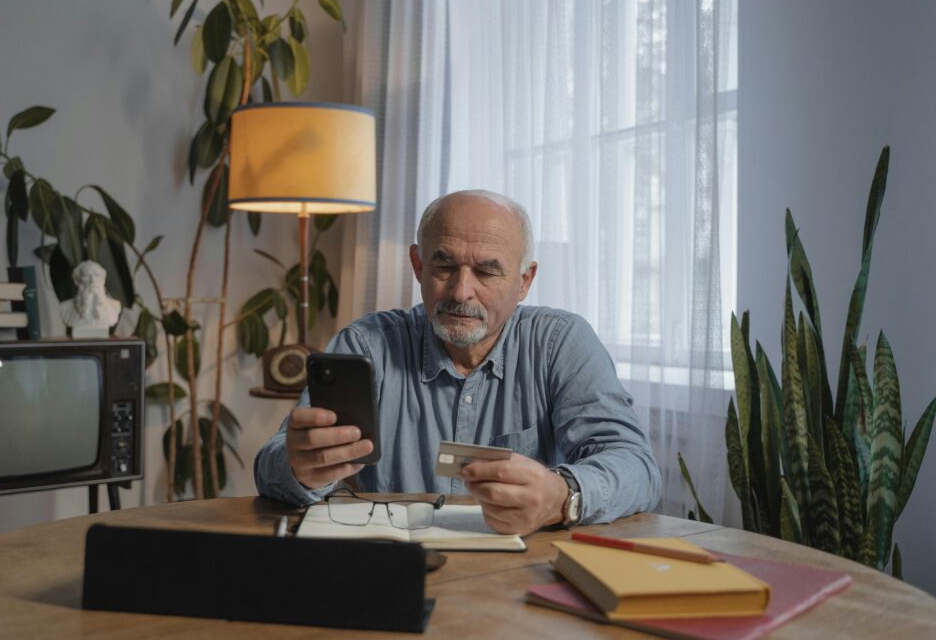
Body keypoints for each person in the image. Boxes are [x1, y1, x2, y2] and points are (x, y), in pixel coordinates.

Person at [254, 190, 661, 534]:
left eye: (486, 272)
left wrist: (563, 495)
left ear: (524, 281)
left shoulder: (560, 343)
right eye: (444, 266)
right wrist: (299, 467)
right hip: (398, 568)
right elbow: (272, 463)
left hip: (523, 574)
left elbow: (636, 467)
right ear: (418, 265)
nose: (461, 291)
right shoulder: (367, 345)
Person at [60, 260, 122, 332]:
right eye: (86, 275)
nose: (92, 280)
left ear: (103, 280)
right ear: (77, 281)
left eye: (97, 275)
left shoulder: (115, 306)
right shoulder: (65, 307)